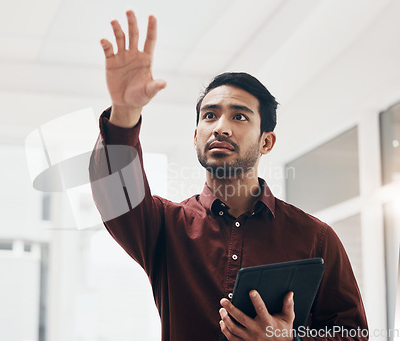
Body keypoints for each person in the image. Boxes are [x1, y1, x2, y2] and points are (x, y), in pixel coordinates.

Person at [89, 10, 368, 341]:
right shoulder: (164, 226)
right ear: (196, 136)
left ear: (267, 141)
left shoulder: (316, 239)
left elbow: (353, 334)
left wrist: (289, 339)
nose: (220, 127)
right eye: (209, 115)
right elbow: (114, 194)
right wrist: (124, 111)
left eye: (239, 116)